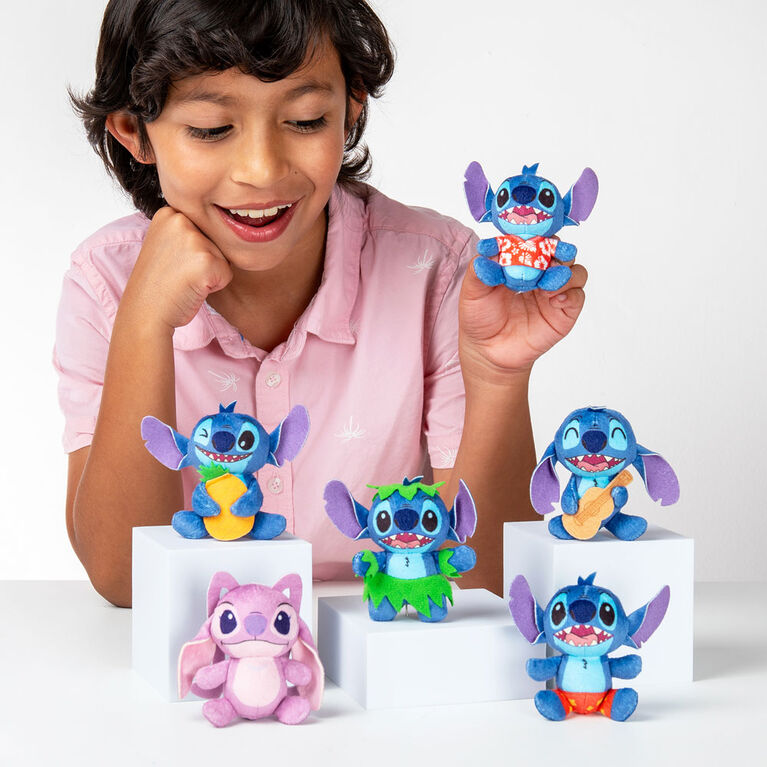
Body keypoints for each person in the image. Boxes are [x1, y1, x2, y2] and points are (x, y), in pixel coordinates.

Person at [56, 0, 588, 607]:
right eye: (210, 129)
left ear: (351, 103)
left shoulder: (437, 271)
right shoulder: (105, 282)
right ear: (134, 132)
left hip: (385, 648)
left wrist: (497, 376)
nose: (261, 170)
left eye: (306, 120)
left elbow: (485, 580)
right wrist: (143, 324)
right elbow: (127, 581)